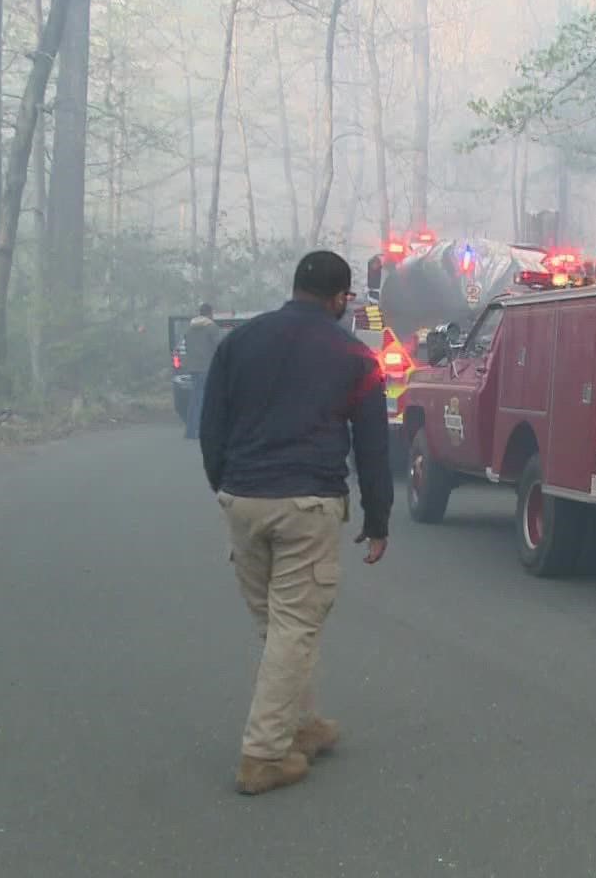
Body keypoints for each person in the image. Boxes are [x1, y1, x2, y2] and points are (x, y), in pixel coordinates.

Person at [197, 250, 393, 796]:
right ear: (339, 299)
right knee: (293, 626)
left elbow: (212, 426)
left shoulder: (239, 342)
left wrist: (227, 486)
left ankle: (303, 726)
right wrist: (378, 520)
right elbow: (373, 449)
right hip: (306, 503)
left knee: (278, 624)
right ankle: (263, 755)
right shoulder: (355, 356)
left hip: (242, 498)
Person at [181, 302, 222, 439]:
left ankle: (191, 431)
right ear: (210, 313)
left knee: (195, 399)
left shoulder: (190, 329)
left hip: (193, 368)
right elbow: (219, 347)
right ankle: (201, 430)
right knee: (203, 399)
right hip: (207, 367)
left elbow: (186, 346)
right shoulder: (212, 328)